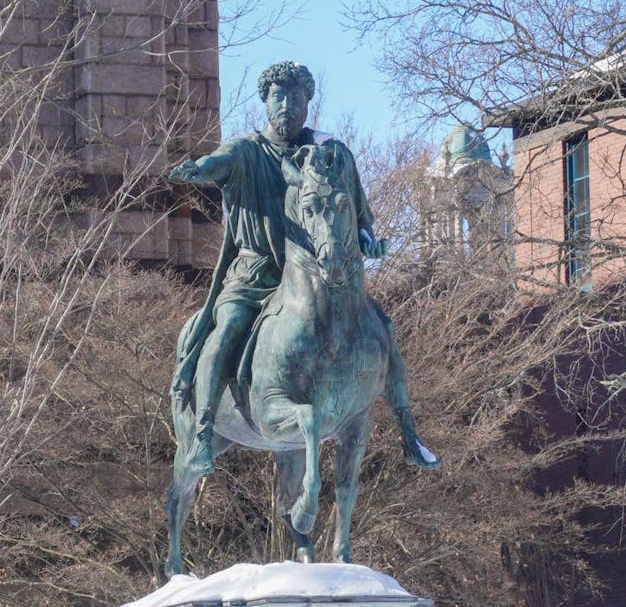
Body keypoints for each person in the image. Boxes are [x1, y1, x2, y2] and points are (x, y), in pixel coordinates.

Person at [168, 60, 439, 475]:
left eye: (296, 96)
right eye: (279, 95)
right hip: (257, 274)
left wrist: (370, 243)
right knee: (226, 329)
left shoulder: (332, 155)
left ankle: (408, 432)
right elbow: (217, 164)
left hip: (321, 277)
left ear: (308, 102)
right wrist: (199, 169)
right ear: (266, 101)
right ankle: (203, 431)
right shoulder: (247, 151)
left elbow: (357, 217)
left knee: (383, 328)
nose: (288, 104)